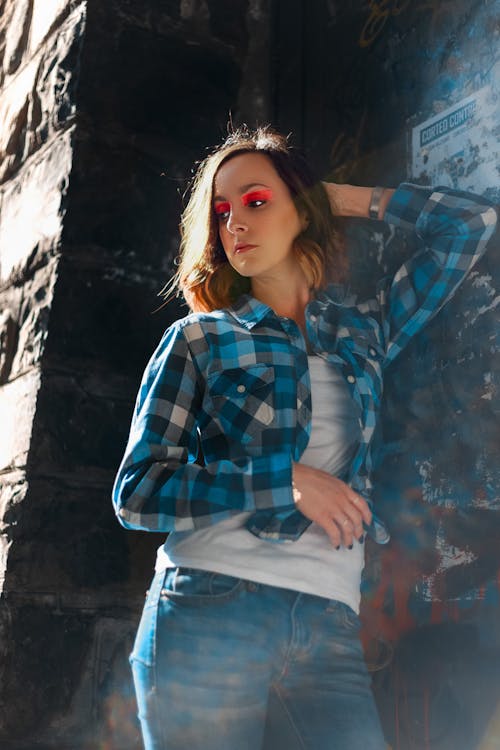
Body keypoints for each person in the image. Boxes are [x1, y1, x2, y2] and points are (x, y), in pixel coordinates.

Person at [112, 126, 497, 750]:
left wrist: (343, 198)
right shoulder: (200, 339)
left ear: (301, 211)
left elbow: (470, 225)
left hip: (326, 620)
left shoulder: (362, 331)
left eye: (256, 200)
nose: (235, 221)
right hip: (210, 606)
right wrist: (286, 482)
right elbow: (137, 492)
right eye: (222, 210)